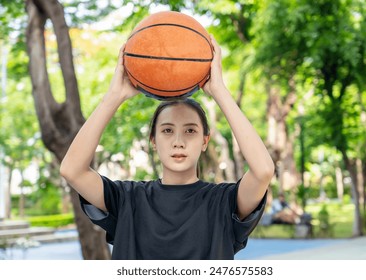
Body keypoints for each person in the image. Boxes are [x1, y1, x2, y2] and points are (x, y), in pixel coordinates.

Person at [60, 35, 275, 260]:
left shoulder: (223, 202)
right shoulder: (128, 199)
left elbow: (263, 171)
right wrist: (114, 96)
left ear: (205, 141)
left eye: (190, 130)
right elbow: (72, 170)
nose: (178, 141)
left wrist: (219, 90)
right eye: (167, 130)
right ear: (153, 140)